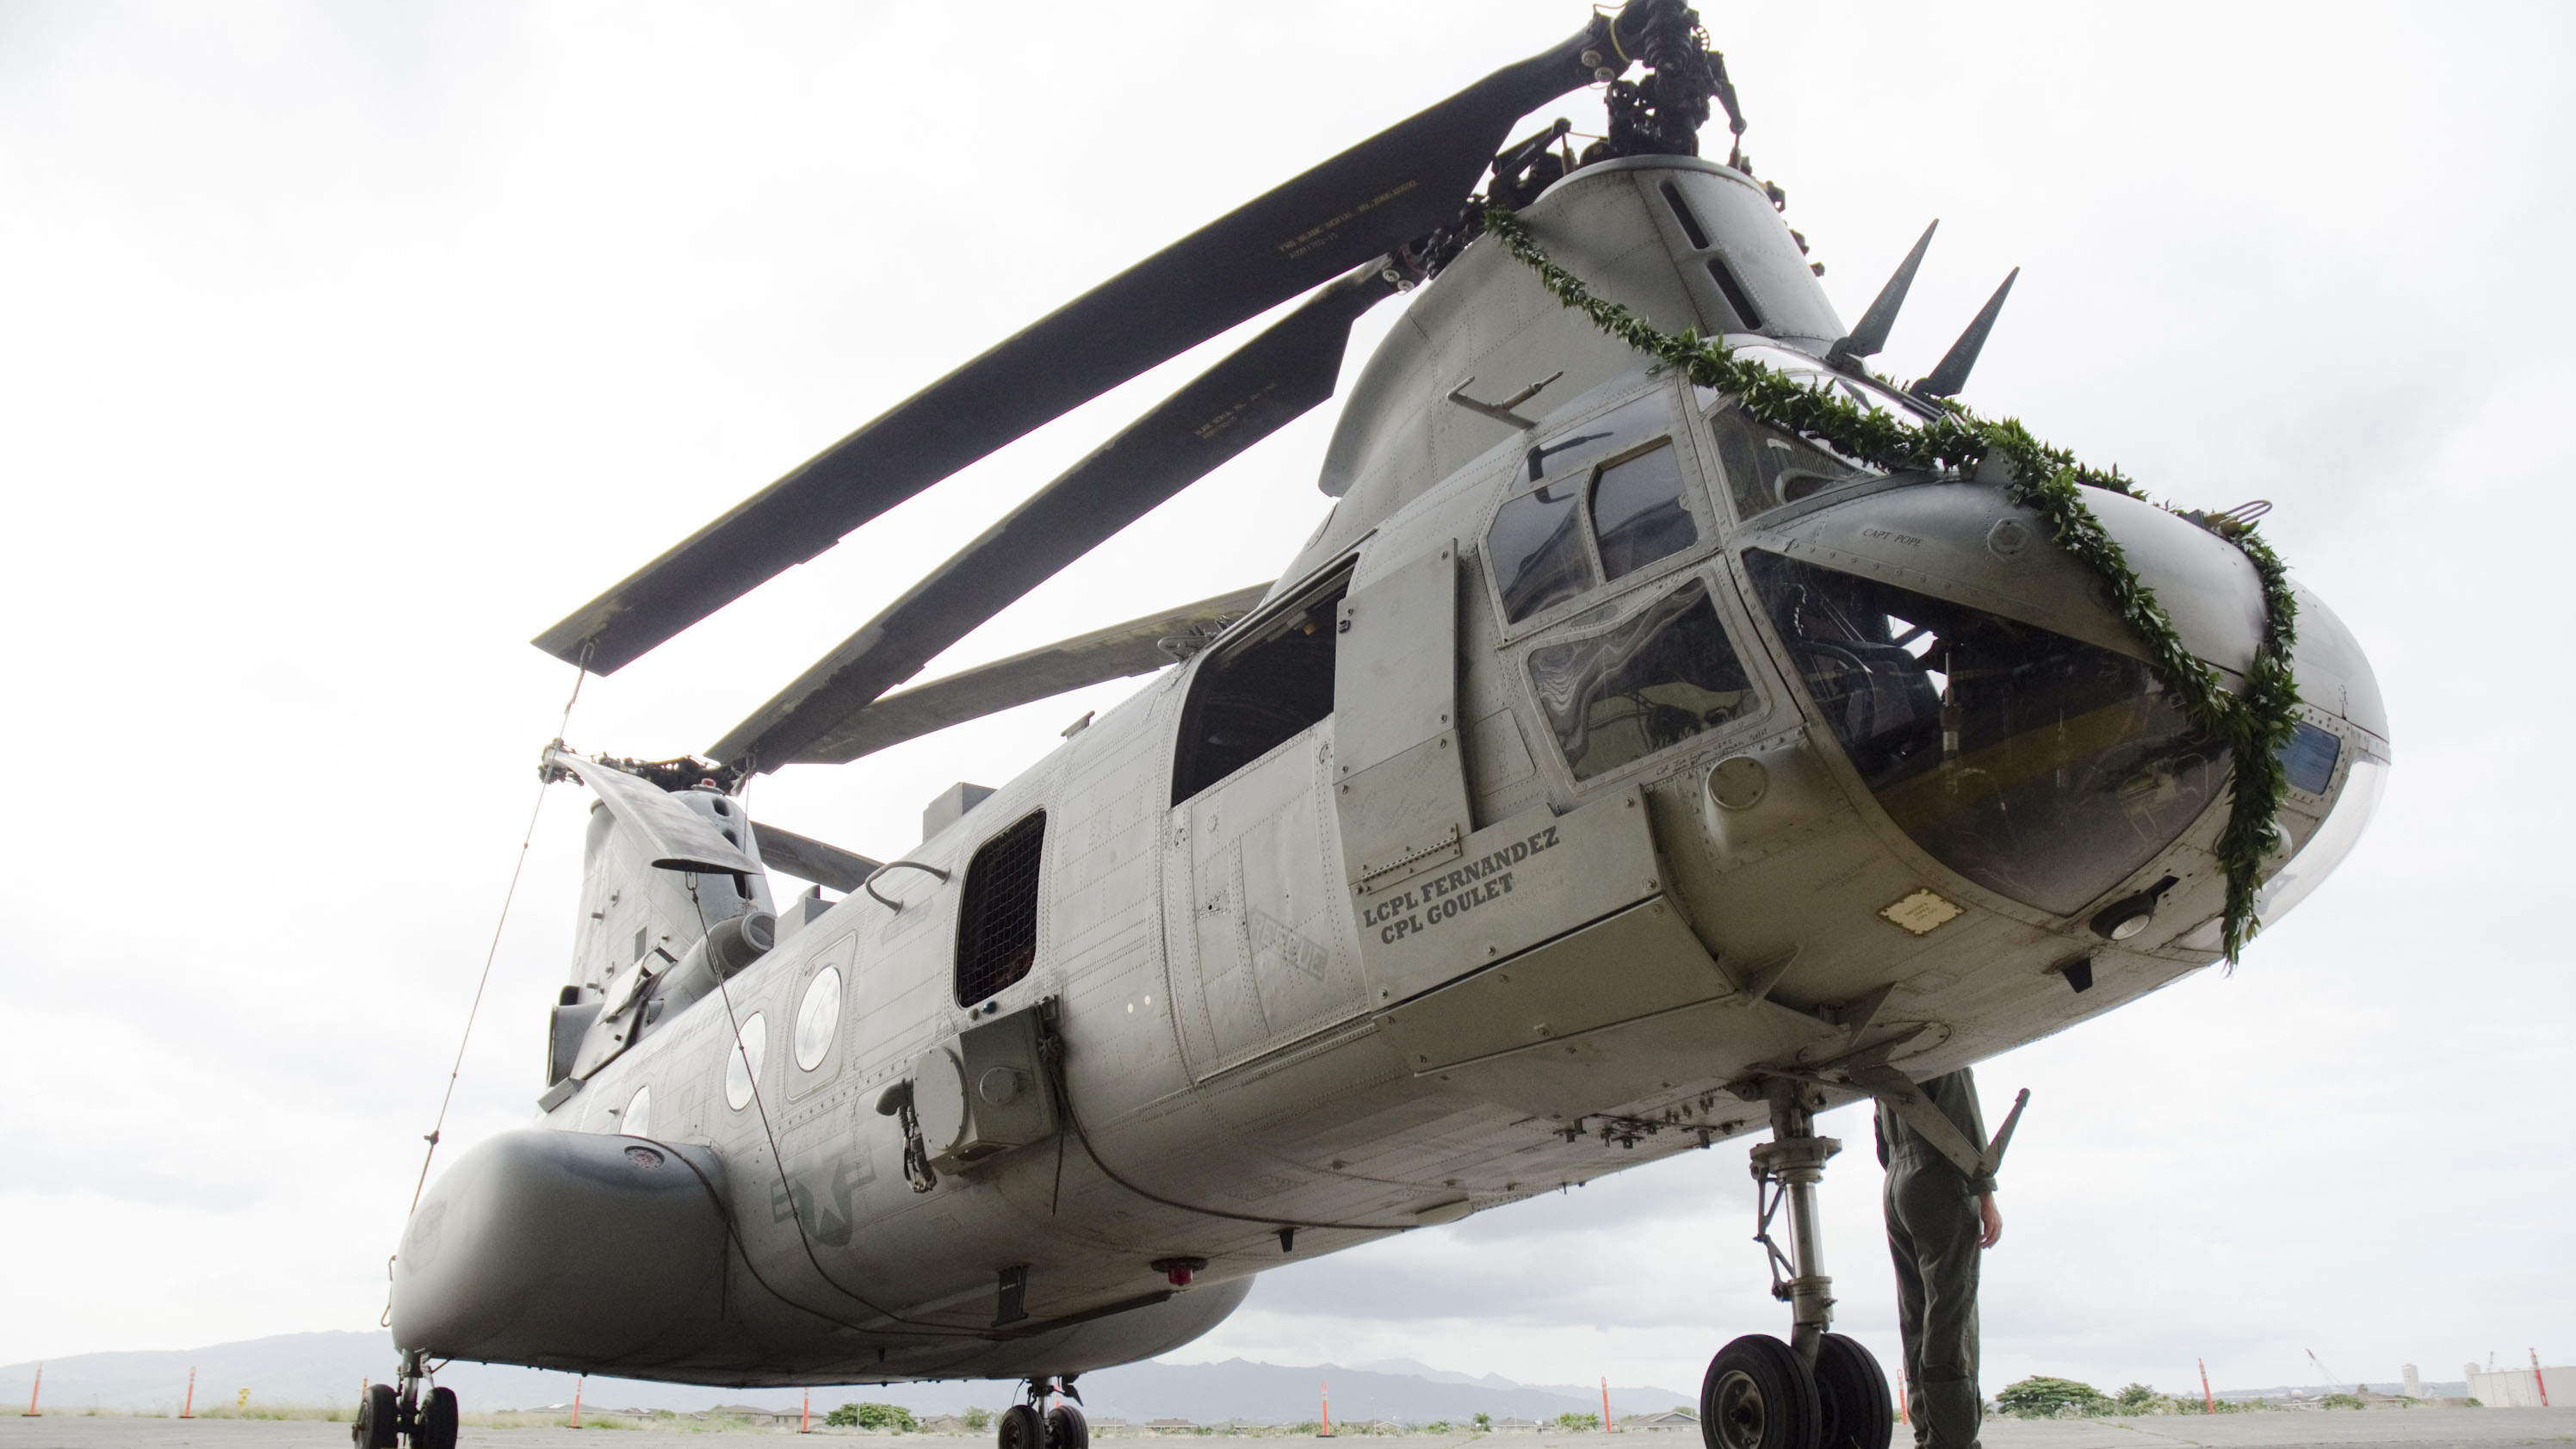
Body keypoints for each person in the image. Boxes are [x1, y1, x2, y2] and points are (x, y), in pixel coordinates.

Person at [1877, 1068, 2003, 1449]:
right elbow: (1962, 1115)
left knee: (1915, 1315)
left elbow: (1882, 1144)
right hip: (1939, 1173)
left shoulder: (1887, 1047)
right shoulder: (1942, 1038)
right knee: (1952, 1311)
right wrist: (1985, 1192)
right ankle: (1952, 1439)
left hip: (1897, 1183)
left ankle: (1927, 1433)